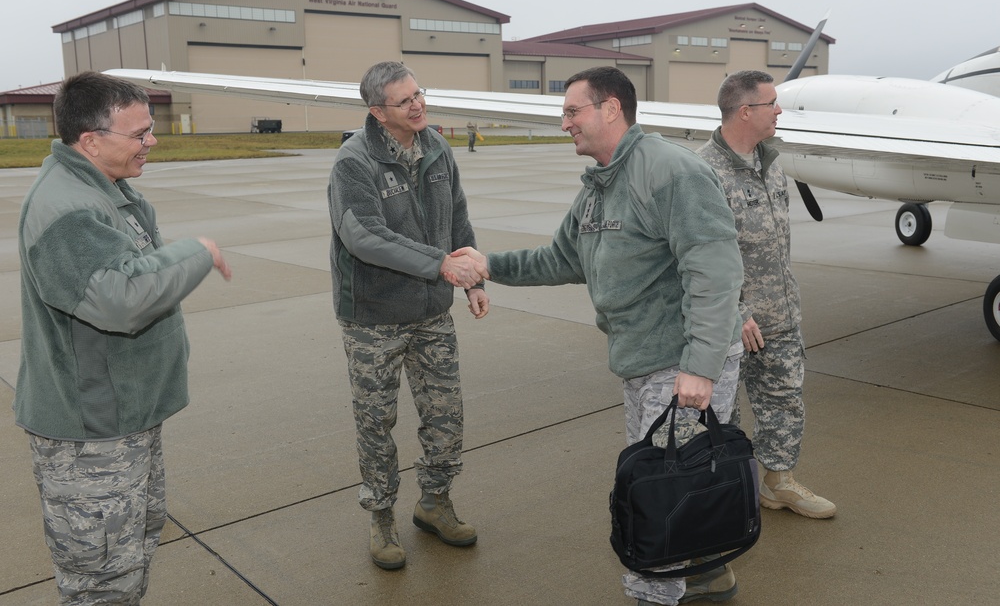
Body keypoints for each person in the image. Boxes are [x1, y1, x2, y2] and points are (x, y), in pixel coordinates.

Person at [453, 66, 745, 606]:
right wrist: (489, 264)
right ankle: (707, 572)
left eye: (572, 112)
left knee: (655, 492)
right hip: (641, 360)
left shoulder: (669, 172)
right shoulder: (599, 188)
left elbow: (716, 269)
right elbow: (560, 257)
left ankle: (653, 596)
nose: (565, 124)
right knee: (668, 476)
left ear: (611, 109)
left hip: (682, 359)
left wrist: (700, 366)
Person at [15, 71, 232, 604]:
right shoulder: (68, 209)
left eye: (149, 129)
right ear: (90, 140)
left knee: (127, 556)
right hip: (90, 435)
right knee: (101, 578)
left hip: (123, 421)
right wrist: (196, 250)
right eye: (140, 134)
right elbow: (122, 299)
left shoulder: (106, 191)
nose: (151, 141)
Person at [328, 61, 489, 571]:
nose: (418, 105)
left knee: (446, 414)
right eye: (405, 101)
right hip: (373, 317)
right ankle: (380, 517)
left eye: (420, 94)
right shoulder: (354, 162)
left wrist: (473, 278)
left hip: (431, 313)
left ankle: (434, 502)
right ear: (377, 111)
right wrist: (439, 264)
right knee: (377, 422)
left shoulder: (437, 148)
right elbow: (363, 236)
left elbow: (458, 215)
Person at [695, 70, 836, 520]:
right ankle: (730, 493)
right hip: (731, 322)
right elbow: (697, 255)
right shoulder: (701, 174)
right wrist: (737, 311)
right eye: (771, 103)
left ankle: (779, 484)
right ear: (744, 112)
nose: (779, 110)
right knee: (723, 414)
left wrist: (787, 304)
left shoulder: (771, 163)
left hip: (780, 314)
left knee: (785, 400)